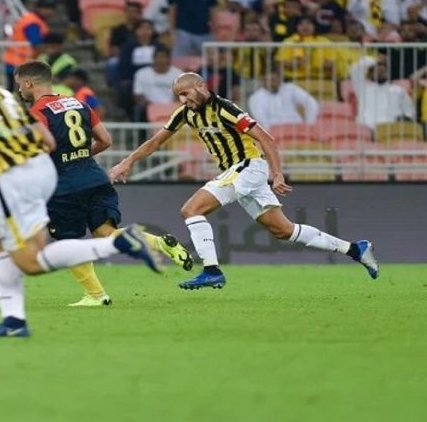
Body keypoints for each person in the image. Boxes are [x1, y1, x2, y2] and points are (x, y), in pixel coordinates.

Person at [0, 56, 162, 337]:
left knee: (30, 261)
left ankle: (119, 243)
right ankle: (13, 321)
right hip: (41, 170)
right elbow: (45, 140)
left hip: (14, 176)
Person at [109, 72, 380, 290]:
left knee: (191, 210)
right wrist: (127, 162)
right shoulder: (185, 113)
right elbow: (156, 141)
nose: (182, 100)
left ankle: (211, 271)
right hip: (238, 172)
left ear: (201, 87)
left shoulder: (226, 109)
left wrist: (277, 173)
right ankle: (355, 249)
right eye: (178, 96)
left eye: (185, 93)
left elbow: (265, 138)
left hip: (248, 166)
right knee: (283, 230)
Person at [18, 60, 192, 306]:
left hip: (64, 186)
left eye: (19, 85)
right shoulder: (78, 103)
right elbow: (106, 140)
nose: (19, 90)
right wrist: (79, 156)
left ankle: (96, 295)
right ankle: (159, 243)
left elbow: (38, 150)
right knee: (105, 233)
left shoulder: (36, 113)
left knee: (68, 243)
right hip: (94, 177)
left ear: (28, 83)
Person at [2, 0, 57, 90]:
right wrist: (51, 52)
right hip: (18, 61)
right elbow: (36, 44)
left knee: (17, 90)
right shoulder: (32, 22)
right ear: (39, 8)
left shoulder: (34, 20)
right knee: (20, 91)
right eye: (47, 9)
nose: (50, 12)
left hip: (18, 60)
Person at [350, 53, 416, 130]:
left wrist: (403, 119)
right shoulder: (363, 88)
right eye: (378, 68)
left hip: (392, 130)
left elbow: (409, 112)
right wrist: (375, 60)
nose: (382, 70)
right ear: (371, 74)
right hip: (366, 129)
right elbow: (356, 69)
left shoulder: (398, 91)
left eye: (384, 69)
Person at [247, 71, 319, 130]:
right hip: (274, 130)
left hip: (297, 127)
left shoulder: (290, 88)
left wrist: (309, 124)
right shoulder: (255, 98)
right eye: (267, 80)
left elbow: (311, 102)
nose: (270, 83)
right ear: (262, 81)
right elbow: (261, 119)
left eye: (273, 80)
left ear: (279, 79)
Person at [132, 46, 183, 122]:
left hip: (172, 106)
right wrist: (149, 104)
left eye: (163, 57)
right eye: (157, 57)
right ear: (153, 58)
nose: (160, 60)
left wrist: (173, 103)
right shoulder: (141, 73)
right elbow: (137, 94)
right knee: (140, 109)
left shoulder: (178, 74)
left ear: (169, 59)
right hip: (149, 106)